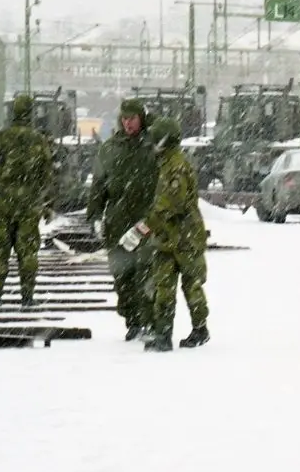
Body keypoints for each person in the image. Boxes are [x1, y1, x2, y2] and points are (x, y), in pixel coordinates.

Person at [134, 117, 210, 352]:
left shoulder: (176, 165)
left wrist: (144, 227)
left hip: (184, 236)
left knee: (191, 285)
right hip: (168, 236)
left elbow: (171, 204)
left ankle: (200, 329)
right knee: (163, 285)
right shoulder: (166, 163)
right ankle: (163, 334)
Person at [86, 98, 159, 341]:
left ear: (142, 118)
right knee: (122, 276)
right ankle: (132, 320)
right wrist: (95, 215)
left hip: (147, 221)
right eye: (125, 119)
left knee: (145, 273)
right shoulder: (109, 148)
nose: (128, 123)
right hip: (117, 221)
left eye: (133, 118)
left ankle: (148, 320)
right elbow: (98, 185)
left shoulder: (153, 146)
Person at [0, 94, 56, 307]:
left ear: (12, 112)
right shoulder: (39, 141)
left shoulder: (0, 138)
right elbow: (47, 176)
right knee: (28, 252)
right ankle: (27, 296)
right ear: (31, 113)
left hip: (2, 205)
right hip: (29, 206)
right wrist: (48, 203)